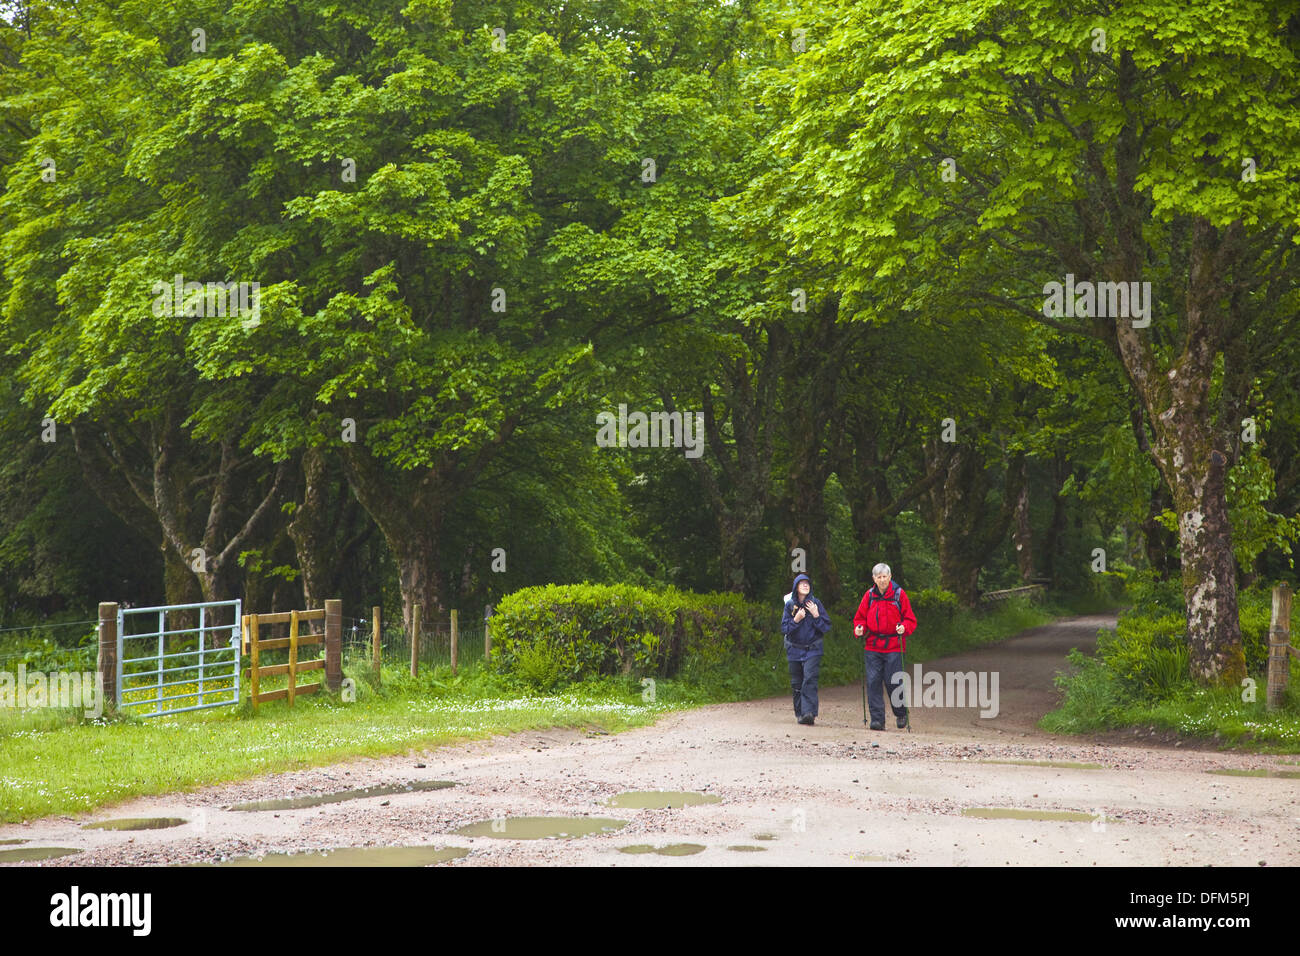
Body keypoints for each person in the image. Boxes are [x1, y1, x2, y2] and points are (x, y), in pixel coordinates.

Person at [853, 563, 917, 731]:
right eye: (878, 577)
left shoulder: (899, 594)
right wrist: (859, 628)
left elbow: (910, 619)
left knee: (893, 681)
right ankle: (877, 720)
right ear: (874, 579)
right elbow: (860, 618)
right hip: (872, 645)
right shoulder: (869, 596)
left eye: (884, 577)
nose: (882, 580)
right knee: (873, 682)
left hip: (894, 645)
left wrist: (904, 627)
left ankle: (901, 712)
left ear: (890, 577)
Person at [781, 573, 831, 726]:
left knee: (809, 679)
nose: (805, 585)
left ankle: (809, 713)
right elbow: (784, 628)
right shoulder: (789, 605)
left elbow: (826, 627)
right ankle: (800, 713)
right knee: (797, 683)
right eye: (801, 583)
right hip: (794, 650)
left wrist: (816, 615)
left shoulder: (816, 604)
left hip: (813, 649)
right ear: (796, 587)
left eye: (807, 583)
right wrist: (796, 620)